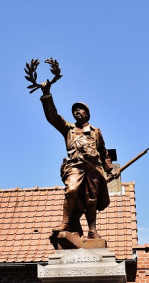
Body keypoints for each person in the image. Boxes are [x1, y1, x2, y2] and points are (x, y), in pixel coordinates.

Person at [39, 83, 118, 240]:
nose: (76, 111)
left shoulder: (96, 132)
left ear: (87, 114)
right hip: (75, 166)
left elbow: (103, 151)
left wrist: (110, 169)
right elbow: (52, 116)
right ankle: (65, 223)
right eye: (74, 109)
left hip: (93, 169)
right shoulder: (68, 129)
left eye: (80, 109)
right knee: (72, 189)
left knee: (92, 200)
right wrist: (47, 93)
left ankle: (92, 231)